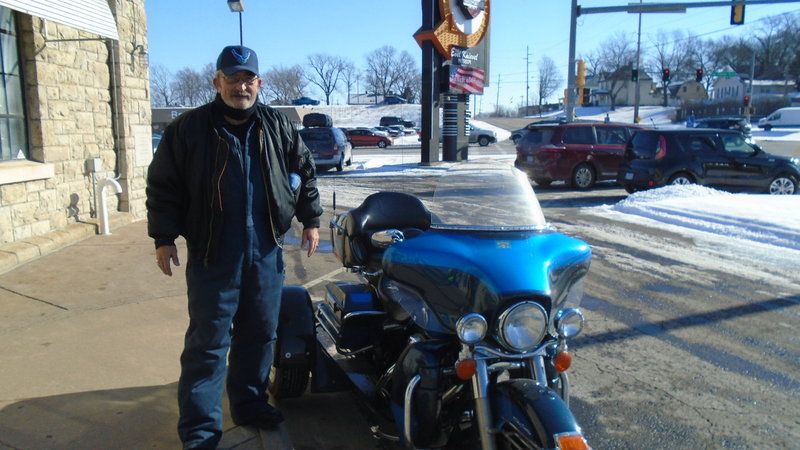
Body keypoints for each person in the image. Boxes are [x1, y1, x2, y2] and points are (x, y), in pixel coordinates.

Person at [146, 45, 323, 449]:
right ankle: (200, 431)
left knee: (260, 335)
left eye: (248, 79)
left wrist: (311, 220)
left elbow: (304, 172)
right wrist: (163, 237)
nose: (240, 86)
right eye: (232, 78)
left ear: (259, 84)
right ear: (217, 82)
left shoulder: (278, 126)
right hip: (214, 253)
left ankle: (249, 403)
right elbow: (162, 186)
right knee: (208, 344)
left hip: (266, 250)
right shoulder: (188, 129)